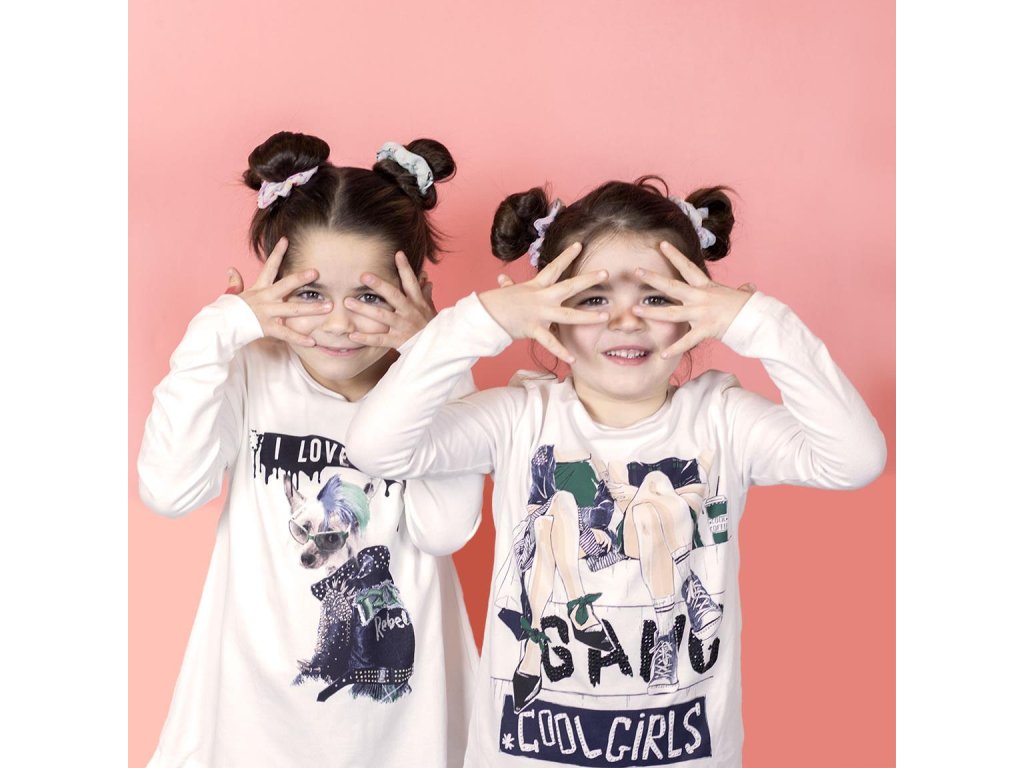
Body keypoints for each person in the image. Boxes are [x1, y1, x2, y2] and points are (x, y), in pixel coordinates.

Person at [344, 177, 887, 767]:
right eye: (593, 299)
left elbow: (854, 460)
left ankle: (665, 620)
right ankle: (550, 638)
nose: (626, 321)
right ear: (547, 315)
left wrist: (764, 324)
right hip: (530, 746)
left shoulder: (722, 419)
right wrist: (483, 320)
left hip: (682, 745)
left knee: (654, 493)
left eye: (656, 298)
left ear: (698, 313)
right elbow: (377, 447)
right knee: (558, 511)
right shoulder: (520, 417)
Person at [137, 131, 480, 767]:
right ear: (270, 287)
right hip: (251, 723)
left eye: (370, 296)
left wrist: (437, 356)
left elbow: (444, 530)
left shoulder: (430, 388)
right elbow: (169, 488)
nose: (339, 323)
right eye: (310, 293)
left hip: (400, 725)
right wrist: (218, 332)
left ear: (417, 293)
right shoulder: (252, 370)